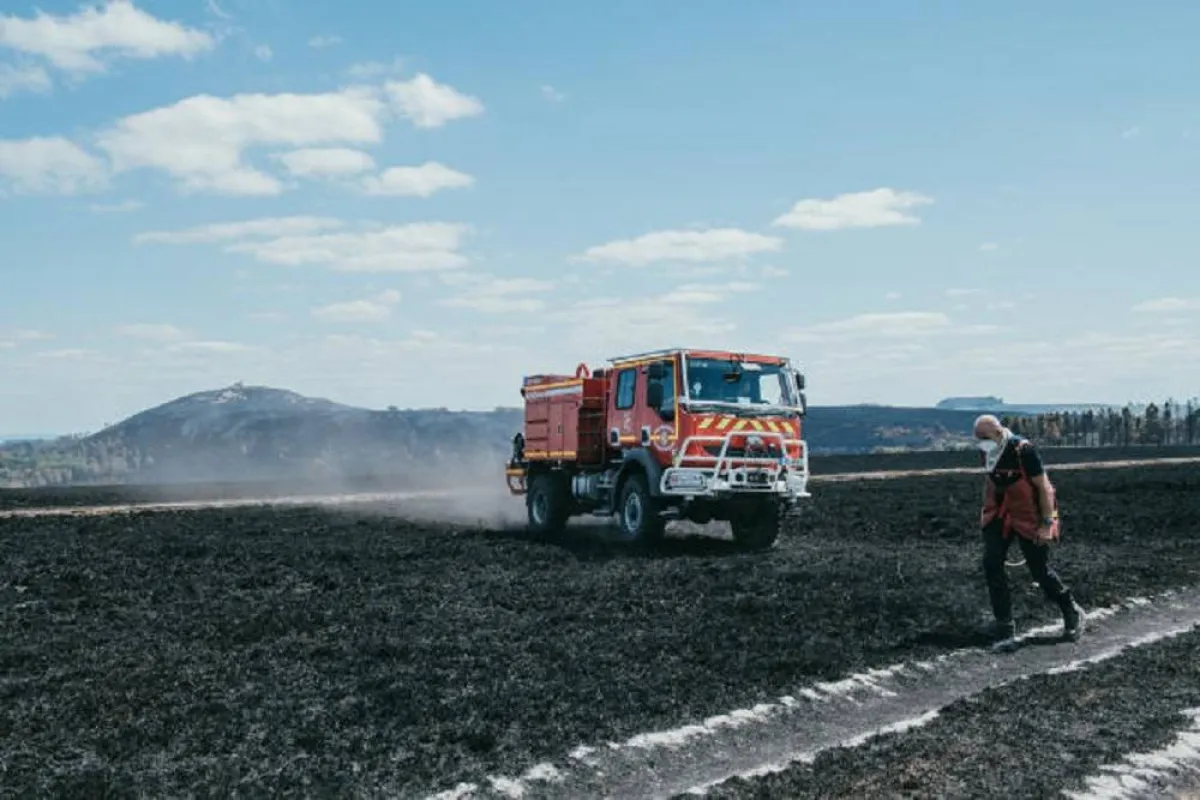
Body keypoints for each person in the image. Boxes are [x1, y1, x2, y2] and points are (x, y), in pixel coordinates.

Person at [973, 414, 1085, 644]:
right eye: (977, 439)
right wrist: (987, 513)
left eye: (983, 437)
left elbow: (1044, 488)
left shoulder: (1023, 451)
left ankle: (1071, 610)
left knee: (1039, 571)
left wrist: (1046, 524)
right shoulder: (987, 452)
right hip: (1002, 514)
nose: (980, 442)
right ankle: (1004, 622)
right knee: (992, 563)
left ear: (997, 433)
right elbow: (991, 481)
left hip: (1029, 516)